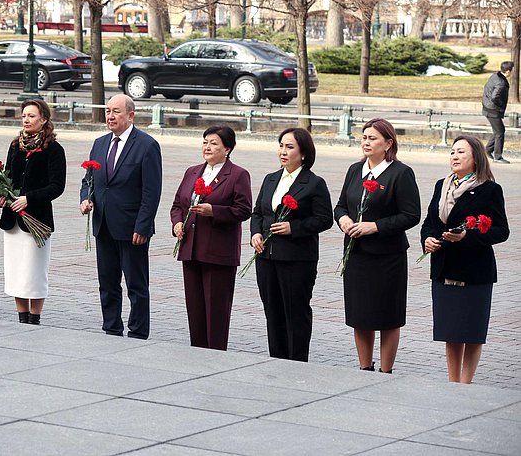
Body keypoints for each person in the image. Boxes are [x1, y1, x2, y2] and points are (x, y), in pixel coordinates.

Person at [420, 135, 509, 383]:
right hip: (444, 267)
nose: (455, 157)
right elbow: (430, 222)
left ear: (475, 158)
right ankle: (453, 382)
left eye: (461, 152)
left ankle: (466, 383)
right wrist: (427, 240)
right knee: (451, 331)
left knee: (472, 332)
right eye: (452, 152)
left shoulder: (489, 189)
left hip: (474, 272)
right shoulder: (442, 185)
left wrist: (466, 236)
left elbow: (501, 231)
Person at [334, 118, 420, 373]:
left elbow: (411, 215)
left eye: (373, 138)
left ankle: (386, 370)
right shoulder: (355, 170)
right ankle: (364, 367)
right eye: (364, 137)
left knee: (387, 315)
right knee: (360, 314)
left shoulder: (400, 173)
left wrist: (375, 226)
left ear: (388, 143)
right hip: (356, 254)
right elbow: (339, 205)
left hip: (387, 257)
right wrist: (344, 220)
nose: (366, 142)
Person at [80, 94, 162, 339]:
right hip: (103, 224)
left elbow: (151, 192)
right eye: (107, 111)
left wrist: (143, 227)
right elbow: (89, 180)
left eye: (116, 111)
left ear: (131, 115)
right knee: (107, 283)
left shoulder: (147, 146)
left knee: (136, 285)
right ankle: (111, 327)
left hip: (131, 228)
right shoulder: (100, 143)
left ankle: (138, 331)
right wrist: (86, 198)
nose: (110, 116)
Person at [250, 128, 333, 361]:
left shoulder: (314, 183)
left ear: (304, 153)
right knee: (272, 312)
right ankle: (276, 358)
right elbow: (258, 213)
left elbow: (325, 219)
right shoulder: (271, 179)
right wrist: (255, 234)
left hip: (296, 259)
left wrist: (294, 228)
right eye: (281, 146)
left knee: (295, 312)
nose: (283, 152)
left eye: (289, 147)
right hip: (266, 257)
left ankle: (297, 361)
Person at [170, 125, 251, 350]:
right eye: (205, 142)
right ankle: (197, 351)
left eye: (214, 143)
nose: (207, 147)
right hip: (191, 249)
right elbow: (178, 204)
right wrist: (177, 223)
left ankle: (215, 354)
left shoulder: (237, 175)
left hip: (218, 253)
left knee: (216, 311)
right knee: (195, 309)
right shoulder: (193, 171)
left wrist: (214, 211)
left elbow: (244, 210)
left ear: (228, 148)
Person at [0, 99, 66, 324]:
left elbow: (57, 186)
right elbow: (8, 177)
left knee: (34, 271)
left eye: (32, 116)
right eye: (24, 115)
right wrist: (2, 196)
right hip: (13, 219)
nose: (26, 120)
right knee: (16, 270)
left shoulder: (54, 149)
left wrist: (29, 199)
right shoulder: (15, 145)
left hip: (37, 219)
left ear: (44, 119)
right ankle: (21, 316)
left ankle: (35, 317)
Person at [482, 61, 512, 163]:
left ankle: (488, 150)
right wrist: (500, 105)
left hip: (487, 107)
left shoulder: (495, 75)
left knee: (498, 131)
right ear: (508, 71)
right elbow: (495, 97)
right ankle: (498, 156)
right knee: (500, 132)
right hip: (493, 110)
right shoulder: (501, 83)